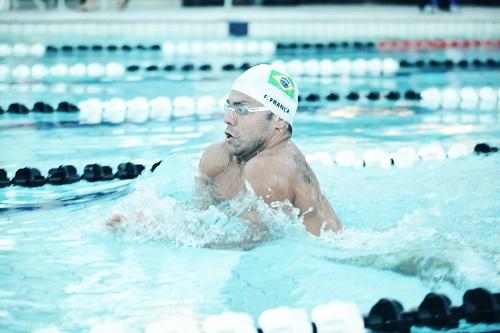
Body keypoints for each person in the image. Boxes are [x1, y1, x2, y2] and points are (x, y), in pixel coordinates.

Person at [195, 64, 341, 236]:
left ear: (278, 119)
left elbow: (258, 247)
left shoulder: (269, 168)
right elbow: (199, 218)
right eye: (229, 107)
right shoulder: (217, 158)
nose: (228, 119)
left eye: (242, 110)